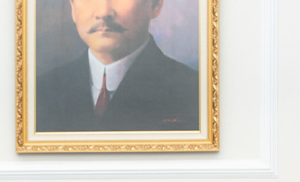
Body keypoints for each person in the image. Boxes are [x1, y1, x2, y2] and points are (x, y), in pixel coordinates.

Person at [36, 0, 199, 132]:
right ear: (72, 6)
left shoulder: (194, 92)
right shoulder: (39, 92)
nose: (103, 12)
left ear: (155, 5)